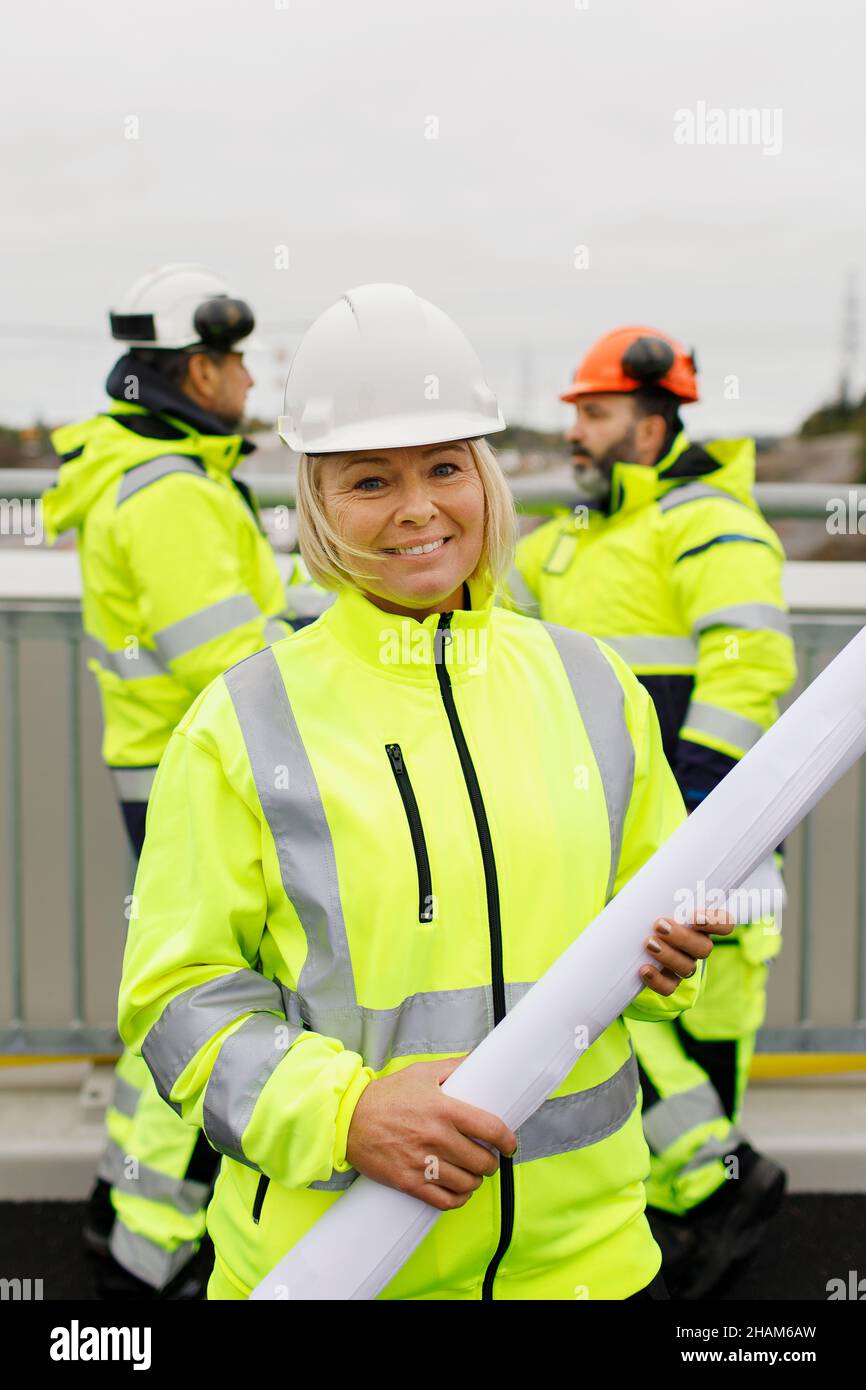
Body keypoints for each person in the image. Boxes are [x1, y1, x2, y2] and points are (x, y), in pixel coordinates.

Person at [117, 284, 731, 1302]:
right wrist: (343, 1112)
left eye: (445, 467)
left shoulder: (590, 683)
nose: (417, 507)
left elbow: (657, 907)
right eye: (368, 479)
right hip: (336, 1266)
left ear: (485, 479)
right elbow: (177, 1001)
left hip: (585, 1267)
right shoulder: (245, 719)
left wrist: (678, 956)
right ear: (317, 505)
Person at [42, 263, 329, 1299]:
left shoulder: (181, 474)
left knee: (188, 997)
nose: (250, 379)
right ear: (192, 371)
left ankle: (130, 1206)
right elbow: (230, 664)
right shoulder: (167, 493)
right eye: (236, 361)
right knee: (205, 1009)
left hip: (181, 768)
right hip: (202, 778)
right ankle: (152, 1244)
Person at [507, 325, 797, 1298]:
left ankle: (712, 1221)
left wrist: (684, 821)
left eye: (593, 415)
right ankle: (706, 1218)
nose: (576, 436)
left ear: (652, 416)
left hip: (713, 863)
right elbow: (480, 617)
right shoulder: (569, 540)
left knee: (698, 1059)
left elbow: (748, 667)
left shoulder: (710, 521)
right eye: (575, 417)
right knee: (629, 1043)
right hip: (612, 854)